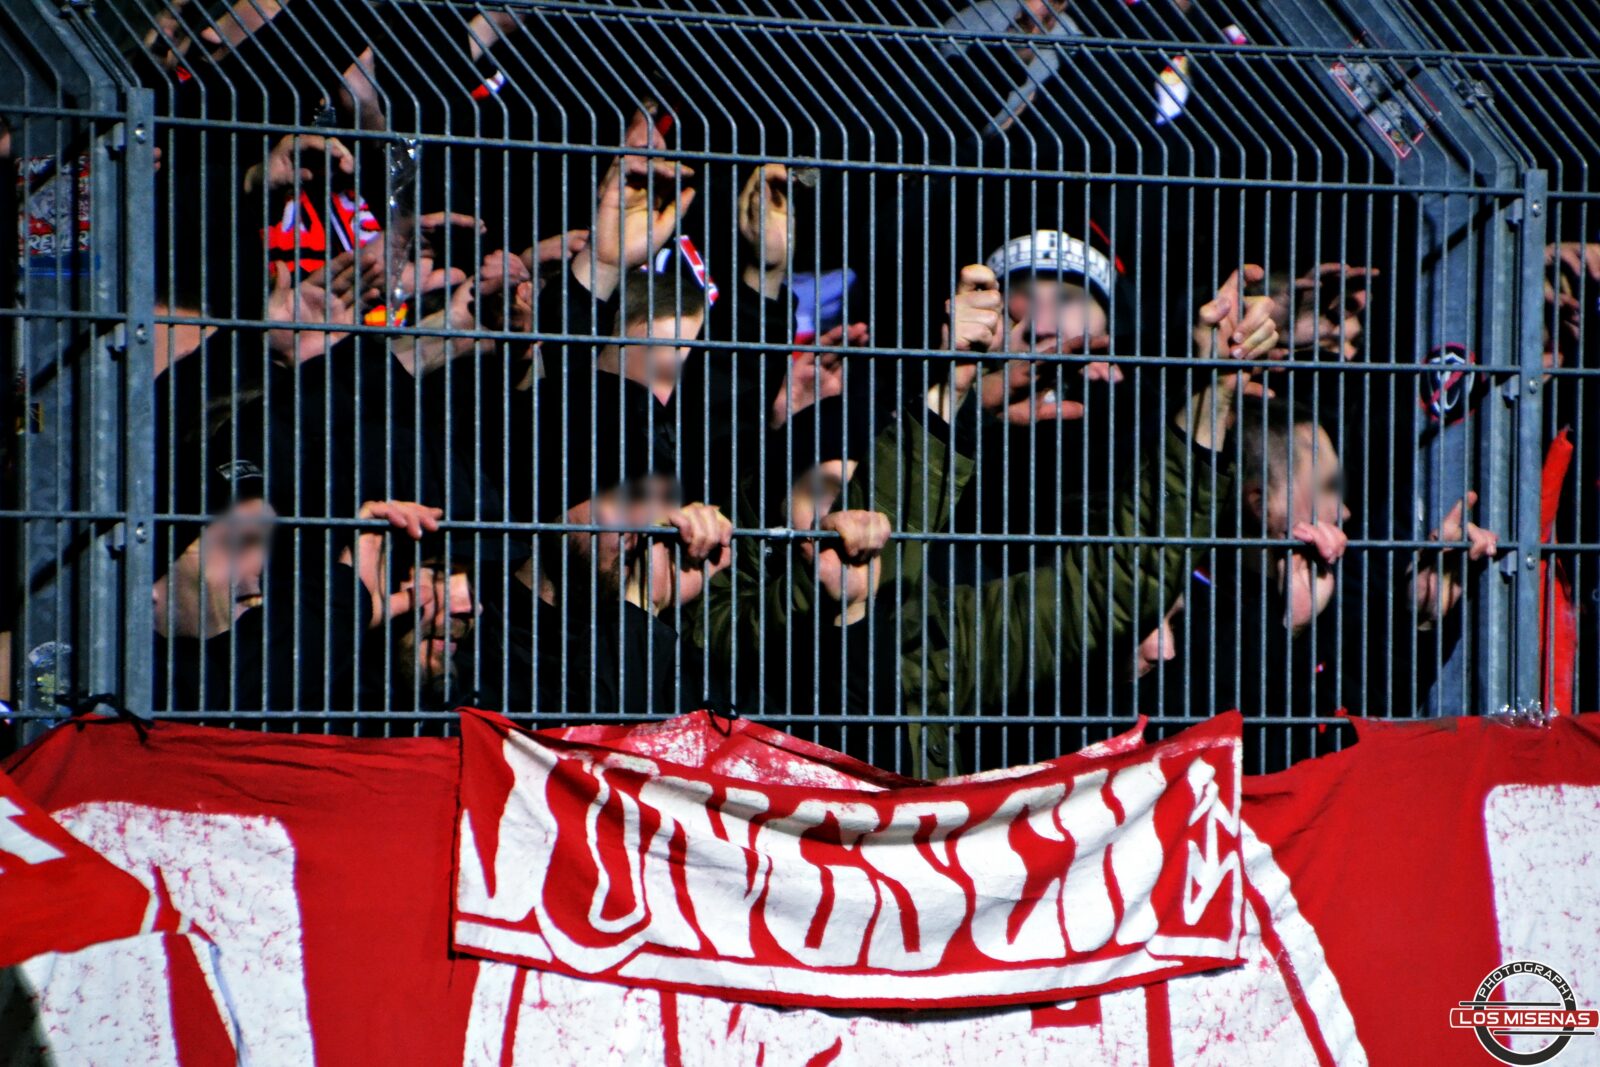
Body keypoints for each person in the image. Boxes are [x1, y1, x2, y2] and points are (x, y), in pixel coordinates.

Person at [1156, 396, 1499, 767]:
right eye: (1329, 486)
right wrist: (1287, 630)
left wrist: (1419, 615)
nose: (1345, 510)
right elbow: (1216, 753)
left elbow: (1365, 720)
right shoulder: (1181, 603)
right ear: (1261, 504)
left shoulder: (1326, 584)